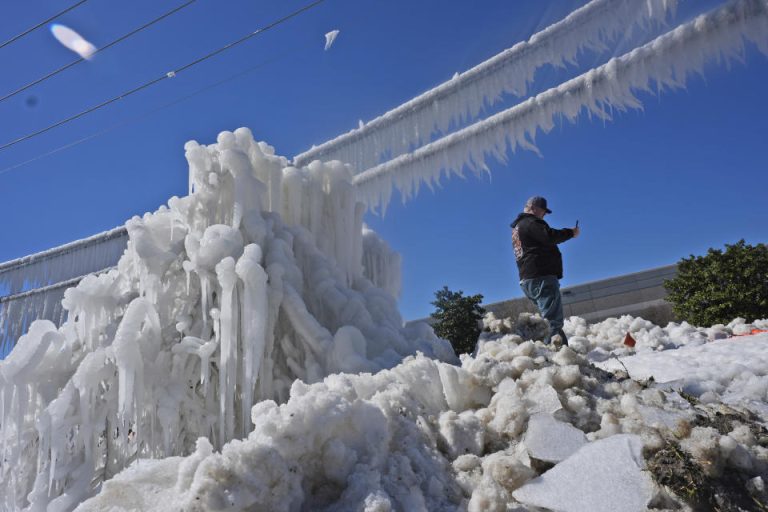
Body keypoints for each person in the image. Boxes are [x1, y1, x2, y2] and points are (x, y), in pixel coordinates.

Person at [511, 196, 580, 345]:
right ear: (534, 208)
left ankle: (564, 355)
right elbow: (549, 236)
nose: (544, 216)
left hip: (528, 278)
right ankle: (552, 358)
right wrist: (570, 233)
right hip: (541, 277)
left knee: (550, 319)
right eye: (543, 211)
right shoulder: (530, 222)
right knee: (552, 322)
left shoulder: (518, 228)